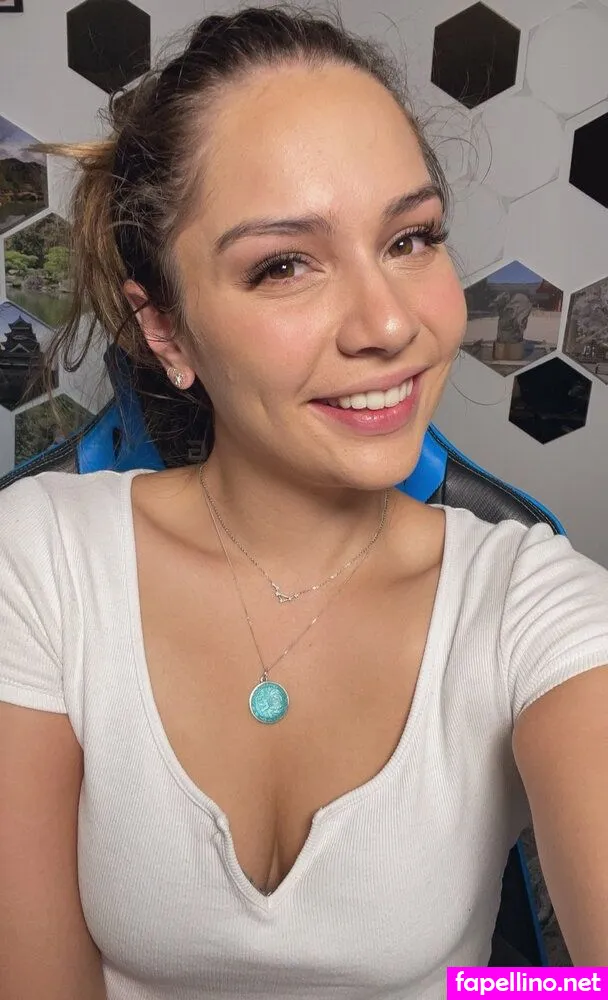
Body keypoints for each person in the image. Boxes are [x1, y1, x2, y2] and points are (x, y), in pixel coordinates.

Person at [1, 7, 607, 999]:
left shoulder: (528, 600)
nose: (387, 323)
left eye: (409, 238)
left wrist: (491, 992)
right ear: (167, 332)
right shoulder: (41, 564)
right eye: (283, 264)